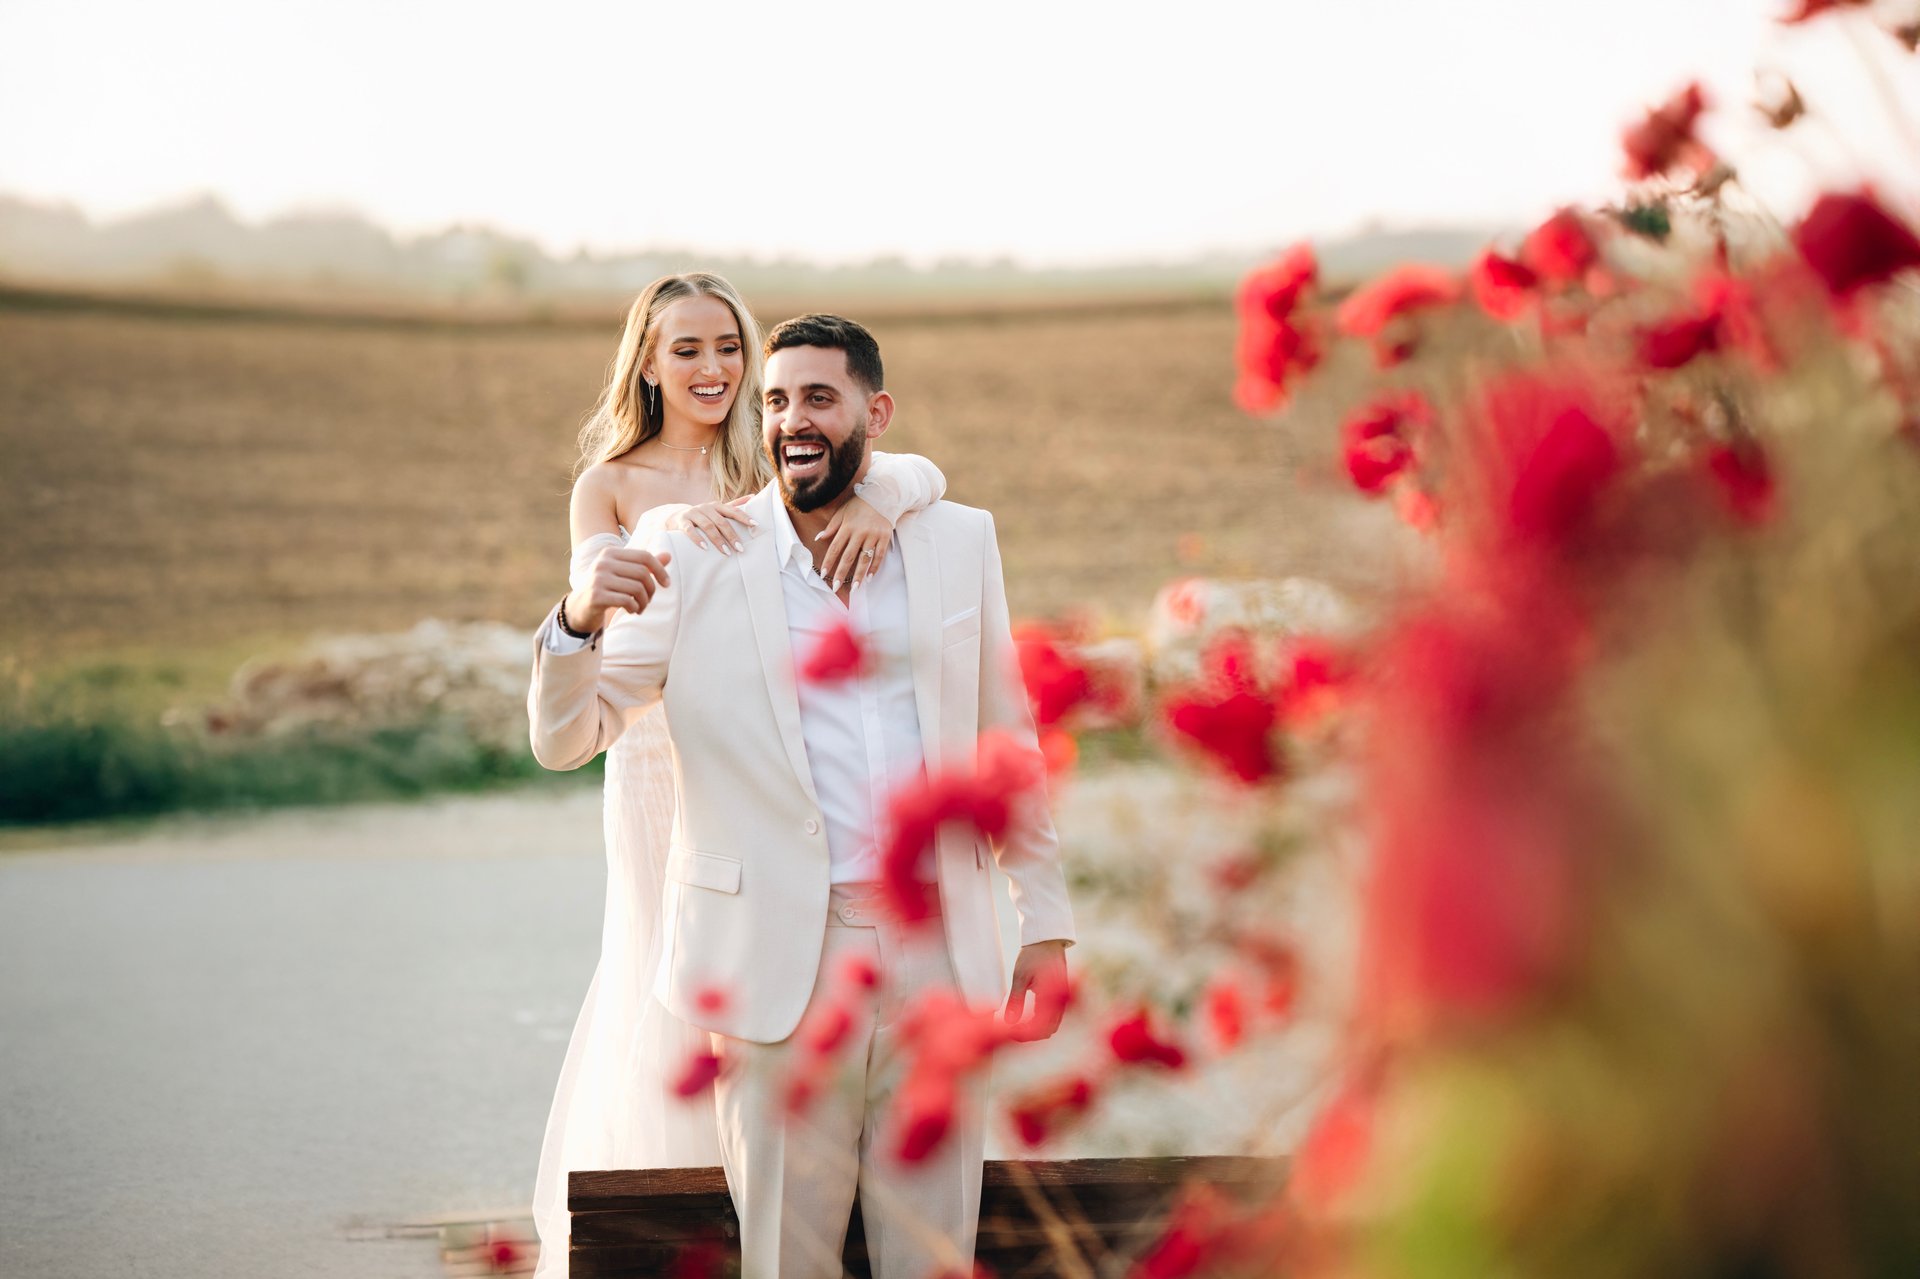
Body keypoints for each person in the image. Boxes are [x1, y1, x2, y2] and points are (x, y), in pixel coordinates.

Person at [529, 313, 1074, 1279]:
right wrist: (575, 624)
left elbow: (1007, 742)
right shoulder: (693, 552)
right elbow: (569, 737)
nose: (791, 421)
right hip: (773, 965)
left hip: (939, 957)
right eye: (775, 401)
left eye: (819, 398)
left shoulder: (957, 539)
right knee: (787, 1259)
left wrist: (1046, 922)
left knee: (934, 1257)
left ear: (877, 410)